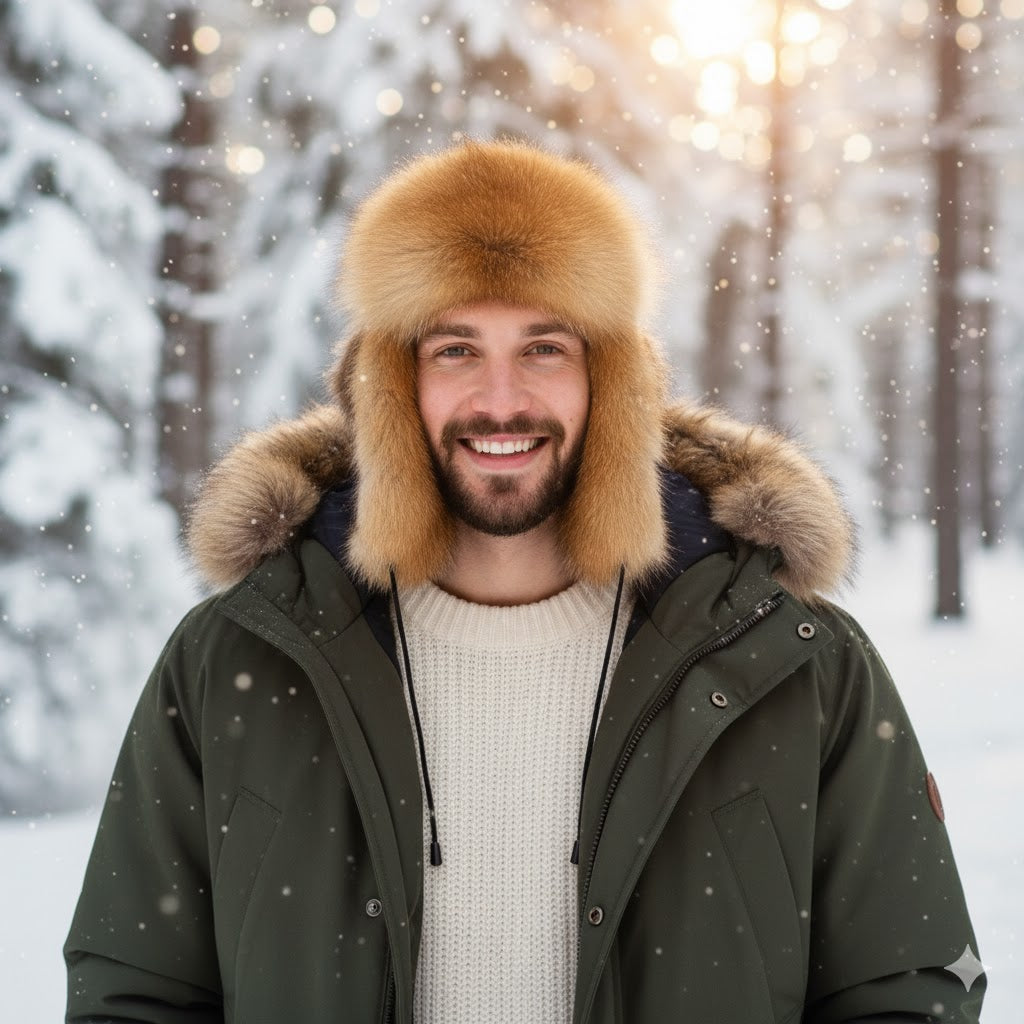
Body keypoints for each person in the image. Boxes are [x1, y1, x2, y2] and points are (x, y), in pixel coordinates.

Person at [66, 140, 984, 1023]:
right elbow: (135, 992)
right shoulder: (245, 657)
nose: (501, 400)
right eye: (455, 350)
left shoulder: (789, 664)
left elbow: (905, 988)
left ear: (611, 383)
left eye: (544, 348)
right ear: (393, 387)